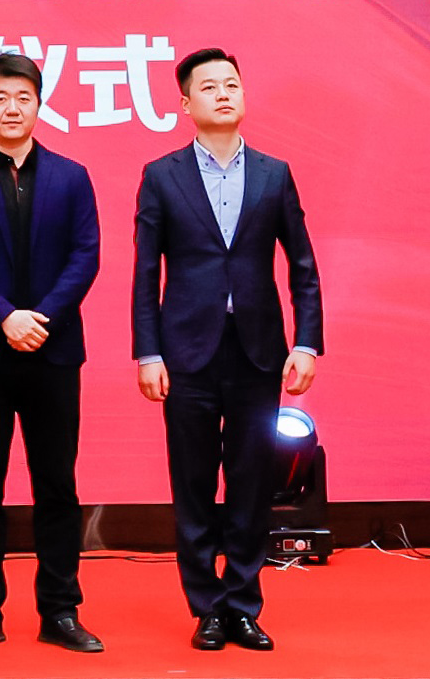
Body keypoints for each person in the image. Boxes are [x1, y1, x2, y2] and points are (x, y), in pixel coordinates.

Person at [132, 47, 323, 652]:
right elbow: (145, 273)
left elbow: (302, 265)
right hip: (185, 354)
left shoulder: (274, 173)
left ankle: (242, 604)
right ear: (185, 103)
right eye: (209, 86)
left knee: (250, 483)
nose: (223, 93)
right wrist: (148, 352)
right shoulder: (161, 176)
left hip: (257, 352)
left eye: (232, 84)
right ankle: (206, 607)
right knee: (192, 484)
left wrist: (307, 342)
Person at [0, 54, 104, 654]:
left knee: (57, 484)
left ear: (39, 104)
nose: (12, 108)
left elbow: (85, 255)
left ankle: (60, 610)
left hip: (53, 352)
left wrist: (41, 318)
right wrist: (5, 317)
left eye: (23, 97)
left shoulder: (72, 177)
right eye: (0, 97)